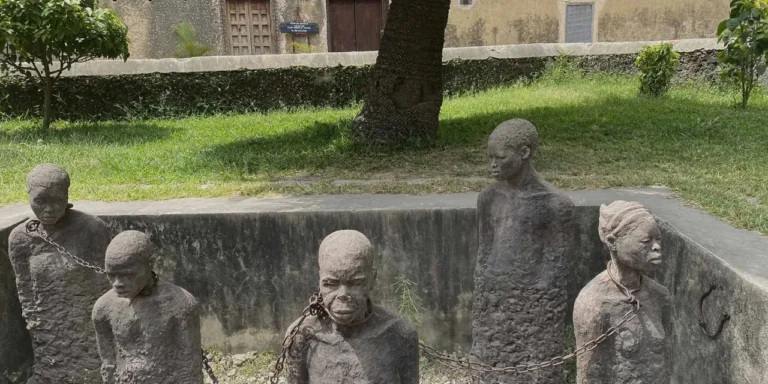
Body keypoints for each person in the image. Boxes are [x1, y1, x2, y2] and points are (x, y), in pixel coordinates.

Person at [471, 119, 576, 383]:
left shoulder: (554, 205)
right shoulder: (488, 198)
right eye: (490, 158)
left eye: (500, 158)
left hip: (533, 305)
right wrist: (486, 294)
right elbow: (484, 251)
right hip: (493, 300)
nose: (492, 165)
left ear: (525, 153)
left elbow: (555, 266)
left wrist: (535, 305)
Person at [8, 163, 111, 383]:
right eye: (40, 201)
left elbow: (108, 284)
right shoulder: (20, 239)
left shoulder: (91, 229)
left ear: (66, 196)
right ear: (29, 197)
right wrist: (40, 328)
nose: (49, 209)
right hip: (49, 328)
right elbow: (25, 291)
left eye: (57, 201)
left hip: (86, 322)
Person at [284, 230, 419, 384]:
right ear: (320, 280)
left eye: (355, 283)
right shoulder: (302, 335)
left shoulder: (399, 334)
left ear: (372, 279)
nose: (343, 294)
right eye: (330, 283)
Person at [574, 200, 672, 384]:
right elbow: (589, 375)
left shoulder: (660, 296)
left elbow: (667, 359)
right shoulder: (594, 303)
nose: (657, 246)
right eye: (646, 240)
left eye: (657, 238)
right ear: (613, 242)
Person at [92, 230, 203, 384]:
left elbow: (189, 368)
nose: (117, 283)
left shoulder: (180, 304)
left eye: (128, 275)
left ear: (150, 264)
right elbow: (108, 365)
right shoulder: (104, 308)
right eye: (111, 275)